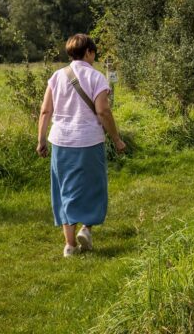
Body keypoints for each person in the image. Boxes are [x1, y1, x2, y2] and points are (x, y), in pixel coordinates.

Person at [36, 34, 126, 257]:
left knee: (64, 189)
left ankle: (69, 246)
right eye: (93, 53)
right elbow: (103, 111)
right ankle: (86, 229)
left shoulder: (56, 77)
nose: (94, 57)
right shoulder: (96, 78)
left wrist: (40, 141)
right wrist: (116, 139)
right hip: (89, 141)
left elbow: (46, 111)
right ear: (88, 52)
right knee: (93, 186)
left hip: (61, 141)